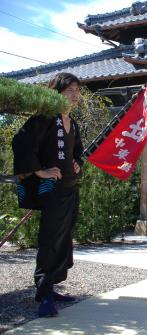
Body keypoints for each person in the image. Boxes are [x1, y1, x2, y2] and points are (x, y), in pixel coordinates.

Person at [12, 73, 84, 317]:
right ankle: (43, 294)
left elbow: (77, 153)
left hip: (70, 190)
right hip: (52, 191)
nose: (75, 95)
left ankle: (51, 287)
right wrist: (39, 171)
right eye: (69, 91)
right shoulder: (45, 118)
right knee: (50, 240)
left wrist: (77, 163)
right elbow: (20, 142)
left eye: (77, 90)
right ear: (57, 93)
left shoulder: (72, 123)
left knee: (63, 241)